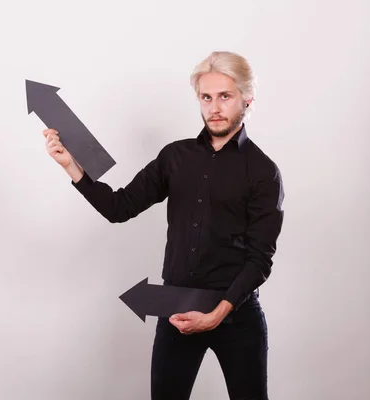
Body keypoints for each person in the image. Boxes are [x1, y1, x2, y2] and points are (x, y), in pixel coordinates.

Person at [42, 51, 284, 400]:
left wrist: (217, 314)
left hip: (236, 316)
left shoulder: (263, 171)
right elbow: (119, 207)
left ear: (247, 100)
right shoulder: (175, 156)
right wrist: (72, 167)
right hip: (178, 313)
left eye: (225, 97)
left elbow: (260, 259)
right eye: (206, 97)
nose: (214, 107)